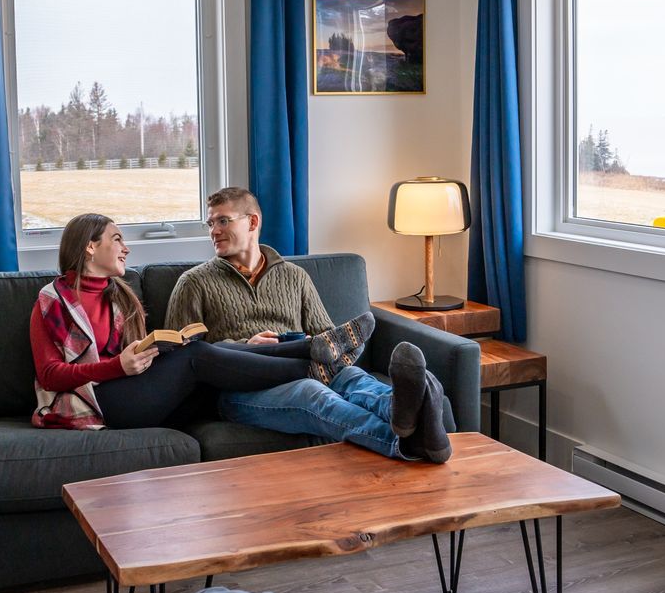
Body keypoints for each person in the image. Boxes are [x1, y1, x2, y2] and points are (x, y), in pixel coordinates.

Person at [163, 187, 453, 463]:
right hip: (240, 391)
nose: (214, 230)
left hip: (305, 368)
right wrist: (243, 348)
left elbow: (329, 340)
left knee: (353, 377)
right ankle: (405, 438)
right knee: (311, 394)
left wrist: (306, 342)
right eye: (210, 223)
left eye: (223, 221)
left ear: (252, 222)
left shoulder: (295, 277)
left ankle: (404, 407)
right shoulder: (194, 283)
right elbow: (180, 362)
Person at [27, 212, 376, 434]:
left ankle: (315, 354)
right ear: (90, 247)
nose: (126, 248)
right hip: (98, 402)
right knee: (196, 356)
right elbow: (50, 375)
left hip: (136, 394)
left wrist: (153, 351)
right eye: (117, 239)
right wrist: (117, 366)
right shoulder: (53, 301)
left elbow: (137, 362)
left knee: (199, 354)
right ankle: (312, 361)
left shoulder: (119, 296)